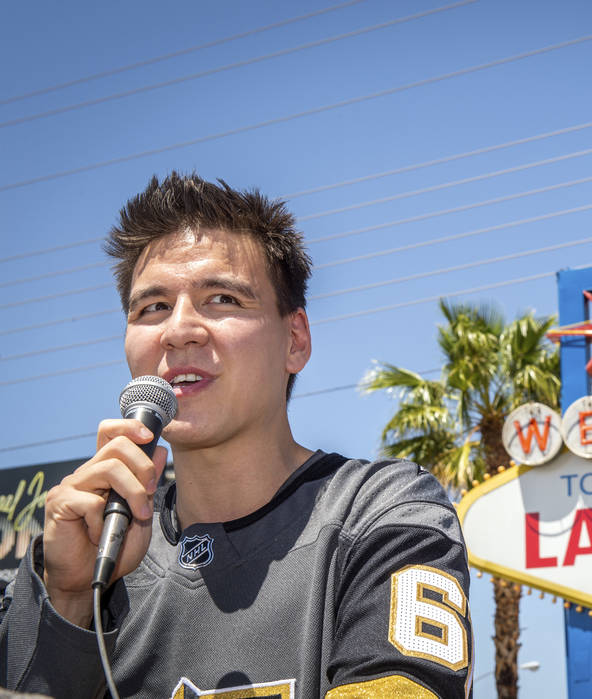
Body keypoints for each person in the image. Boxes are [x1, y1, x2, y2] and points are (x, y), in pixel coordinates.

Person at [0, 173, 474, 698]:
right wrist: (67, 597)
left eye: (222, 299)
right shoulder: (90, 548)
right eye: (152, 308)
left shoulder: (381, 512)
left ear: (295, 340)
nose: (178, 330)